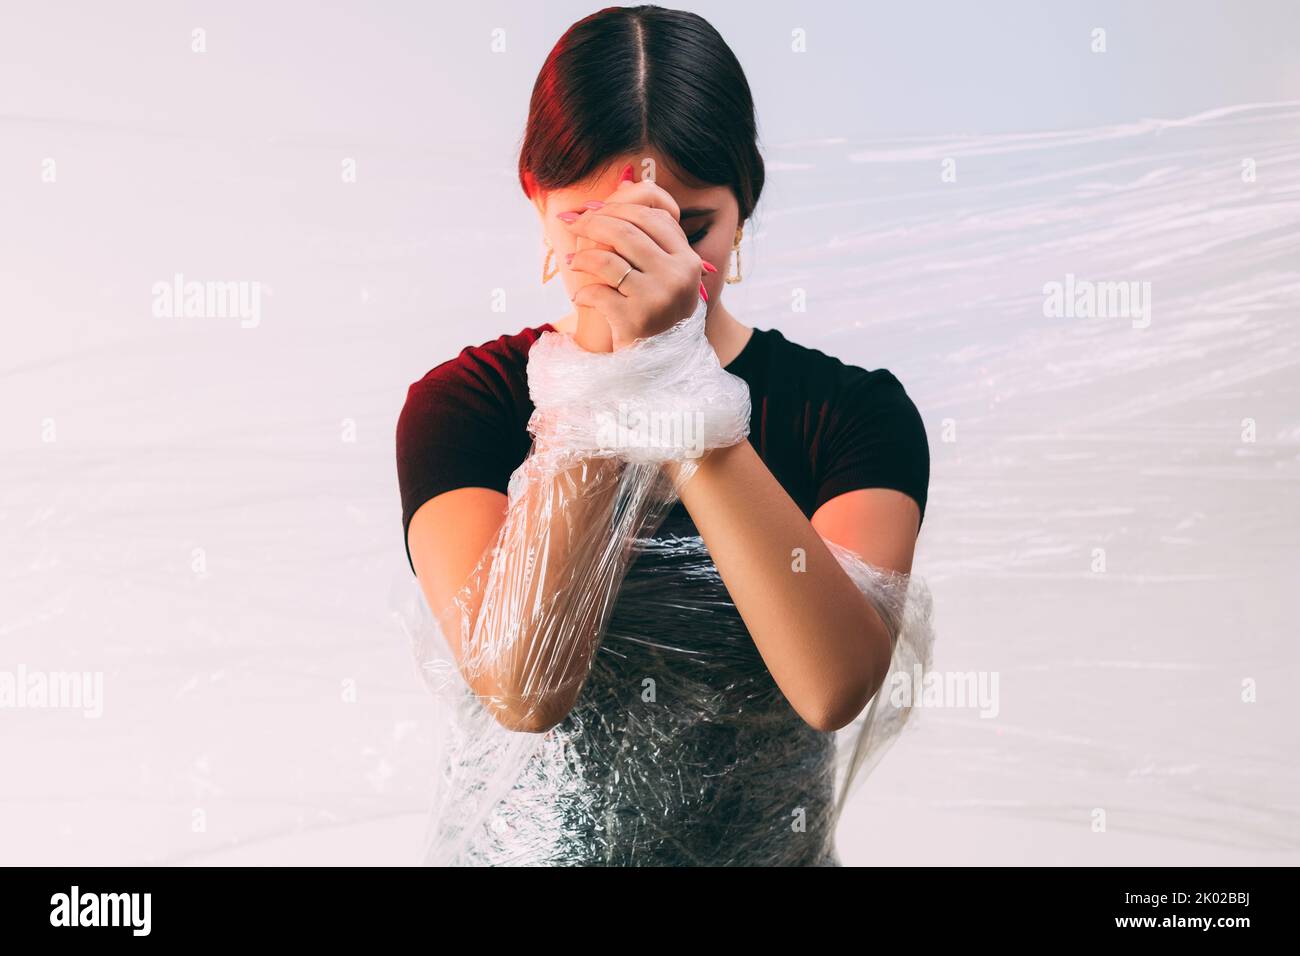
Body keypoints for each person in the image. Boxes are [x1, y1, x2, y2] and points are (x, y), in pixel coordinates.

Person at [395, 4, 930, 866]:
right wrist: (610, 381)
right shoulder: (466, 407)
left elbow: (831, 686)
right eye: (599, 227)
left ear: (743, 210)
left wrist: (678, 389)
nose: (650, 265)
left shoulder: (850, 412)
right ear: (537, 203)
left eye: (686, 231)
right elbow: (524, 686)